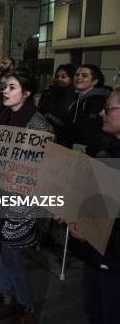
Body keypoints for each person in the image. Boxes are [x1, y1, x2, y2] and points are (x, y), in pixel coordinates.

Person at [0, 69, 53, 324]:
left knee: (11, 256)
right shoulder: (3, 118)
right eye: (4, 87)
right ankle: (7, 299)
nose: (5, 91)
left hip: (20, 202)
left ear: (27, 93)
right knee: (3, 252)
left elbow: (41, 167)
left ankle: (26, 307)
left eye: (12, 87)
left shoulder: (38, 125)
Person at [69, 87, 120, 324]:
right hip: (93, 254)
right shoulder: (101, 145)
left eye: (108, 109)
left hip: (114, 257)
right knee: (94, 312)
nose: (101, 113)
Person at [67, 64, 109, 151]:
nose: (79, 78)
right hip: (73, 145)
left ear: (95, 81)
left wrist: (83, 144)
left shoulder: (96, 100)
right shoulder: (77, 97)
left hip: (85, 148)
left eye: (84, 76)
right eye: (77, 75)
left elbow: (92, 128)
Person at [38, 64, 76, 147]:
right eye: (57, 76)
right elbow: (40, 111)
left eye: (63, 77)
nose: (59, 79)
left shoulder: (75, 95)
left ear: (72, 78)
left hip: (64, 139)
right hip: (43, 134)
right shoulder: (48, 91)